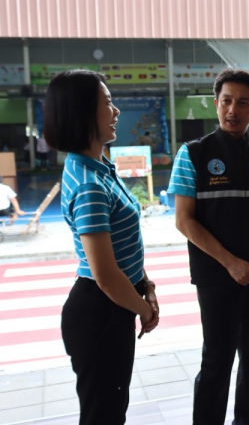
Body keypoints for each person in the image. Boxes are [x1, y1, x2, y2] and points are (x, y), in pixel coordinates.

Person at [168, 68, 249, 425]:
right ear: (216, 103)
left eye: (243, 103)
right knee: (217, 361)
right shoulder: (193, 154)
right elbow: (184, 221)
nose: (232, 110)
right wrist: (230, 262)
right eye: (226, 101)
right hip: (216, 278)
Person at [43, 69, 160, 425]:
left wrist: (146, 284)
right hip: (101, 313)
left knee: (111, 410)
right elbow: (106, 275)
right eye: (107, 102)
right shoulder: (90, 184)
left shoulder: (99, 167)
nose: (116, 111)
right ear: (83, 112)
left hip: (115, 303)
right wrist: (144, 310)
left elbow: (124, 246)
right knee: (104, 415)